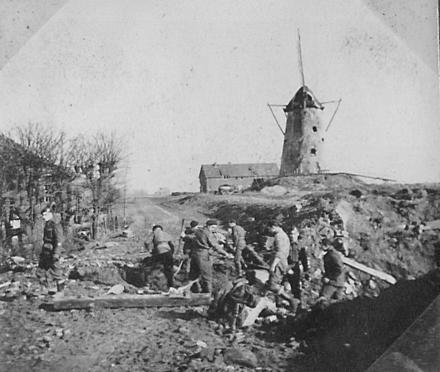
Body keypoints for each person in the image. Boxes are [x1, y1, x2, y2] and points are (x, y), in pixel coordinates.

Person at [188, 219, 231, 293]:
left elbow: (190, 237)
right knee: (207, 276)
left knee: (193, 275)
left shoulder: (197, 231)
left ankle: (192, 291)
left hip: (194, 254)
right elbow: (215, 245)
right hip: (203, 255)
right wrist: (226, 254)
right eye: (213, 227)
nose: (214, 229)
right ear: (209, 226)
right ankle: (208, 295)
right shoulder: (208, 233)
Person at [266, 221, 297, 309]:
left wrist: (273, 265)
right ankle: (279, 303)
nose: (270, 231)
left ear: (273, 227)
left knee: (272, 285)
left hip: (279, 263)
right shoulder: (284, 235)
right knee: (275, 283)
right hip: (283, 262)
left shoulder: (279, 236)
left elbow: (279, 253)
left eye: (269, 229)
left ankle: (290, 299)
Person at [36, 208, 64, 291]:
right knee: (40, 271)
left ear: (50, 214)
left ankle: (61, 292)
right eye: (43, 215)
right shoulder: (47, 224)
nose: (43, 217)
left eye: (45, 214)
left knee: (56, 272)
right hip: (45, 252)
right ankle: (45, 289)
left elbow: (59, 241)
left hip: (52, 253)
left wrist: (56, 253)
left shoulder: (55, 225)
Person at [286, 226, 309, 302]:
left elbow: (303, 258)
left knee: (295, 287)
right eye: (290, 234)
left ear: (297, 234)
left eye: (294, 233)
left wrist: (306, 271)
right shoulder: (286, 243)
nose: (292, 235)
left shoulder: (300, 245)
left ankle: (297, 303)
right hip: (285, 266)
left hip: (295, 267)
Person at [149, 225, 175, 289]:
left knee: (157, 268)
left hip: (159, 251)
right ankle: (170, 285)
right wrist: (172, 253)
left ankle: (155, 285)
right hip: (168, 251)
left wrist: (149, 250)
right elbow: (172, 244)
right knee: (169, 269)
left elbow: (146, 242)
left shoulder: (154, 233)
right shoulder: (166, 234)